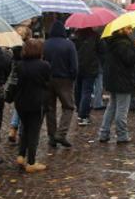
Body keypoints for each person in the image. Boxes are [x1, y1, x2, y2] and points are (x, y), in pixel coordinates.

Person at [12, 38, 52, 171]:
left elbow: (14, 84)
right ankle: (31, 162)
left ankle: (21, 155)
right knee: (34, 132)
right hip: (37, 103)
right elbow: (47, 83)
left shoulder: (19, 65)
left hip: (21, 102)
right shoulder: (44, 65)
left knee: (25, 129)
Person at [97, 26, 135, 144]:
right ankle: (122, 135)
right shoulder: (123, 43)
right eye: (129, 29)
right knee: (121, 109)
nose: (131, 31)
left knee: (112, 107)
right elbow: (130, 60)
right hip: (123, 80)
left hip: (114, 79)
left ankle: (104, 133)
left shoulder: (112, 41)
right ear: (121, 29)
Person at [43, 17, 78, 148]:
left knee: (50, 109)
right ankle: (61, 134)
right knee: (68, 107)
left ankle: (52, 136)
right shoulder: (69, 44)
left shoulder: (45, 44)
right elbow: (74, 65)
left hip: (48, 79)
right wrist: (73, 77)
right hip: (64, 79)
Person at [74, 28, 101, 126]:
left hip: (77, 67)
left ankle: (79, 111)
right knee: (87, 92)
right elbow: (102, 51)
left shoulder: (75, 36)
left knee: (78, 90)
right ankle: (83, 115)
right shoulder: (95, 36)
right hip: (90, 68)